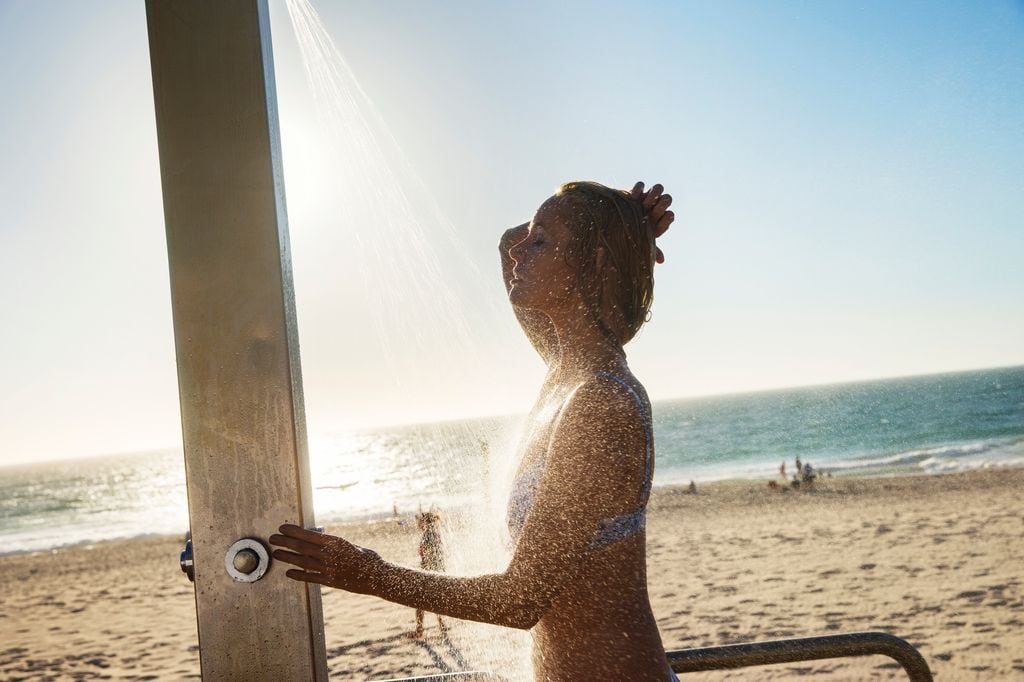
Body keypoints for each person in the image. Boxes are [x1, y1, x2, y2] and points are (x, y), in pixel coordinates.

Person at [271, 180, 677, 680]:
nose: (519, 255)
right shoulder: (563, 371)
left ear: (592, 263)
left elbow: (520, 600)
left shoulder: (600, 402)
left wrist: (368, 574)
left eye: (541, 242)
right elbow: (508, 241)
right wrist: (626, 221)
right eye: (531, 239)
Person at [413, 510, 448, 638]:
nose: (418, 525)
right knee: (436, 599)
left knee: (419, 602)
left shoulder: (428, 535)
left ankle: (419, 630)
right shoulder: (436, 534)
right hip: (438, 571)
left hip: (429, 572)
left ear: (424, 522)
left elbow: (428, 554)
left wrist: (424, 572)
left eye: (419, 522)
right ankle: (442, 626)